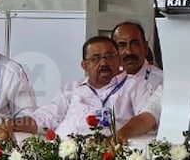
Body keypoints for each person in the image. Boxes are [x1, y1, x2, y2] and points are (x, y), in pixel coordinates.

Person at [19, 36, 157, 138]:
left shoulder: (135, 85)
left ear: (119, 60)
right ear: (84, 65)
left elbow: (146, 120)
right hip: (64, 150)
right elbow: (47, 117)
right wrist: (12, 123)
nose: (103, 62)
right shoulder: (72, 89)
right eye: (96, 58)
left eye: (109, 56)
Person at [112, 21, 162, 90]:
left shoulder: (162, 82)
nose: (129, 52)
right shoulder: (108, 79)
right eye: (122, 45)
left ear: (145, 48)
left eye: (135, 44)